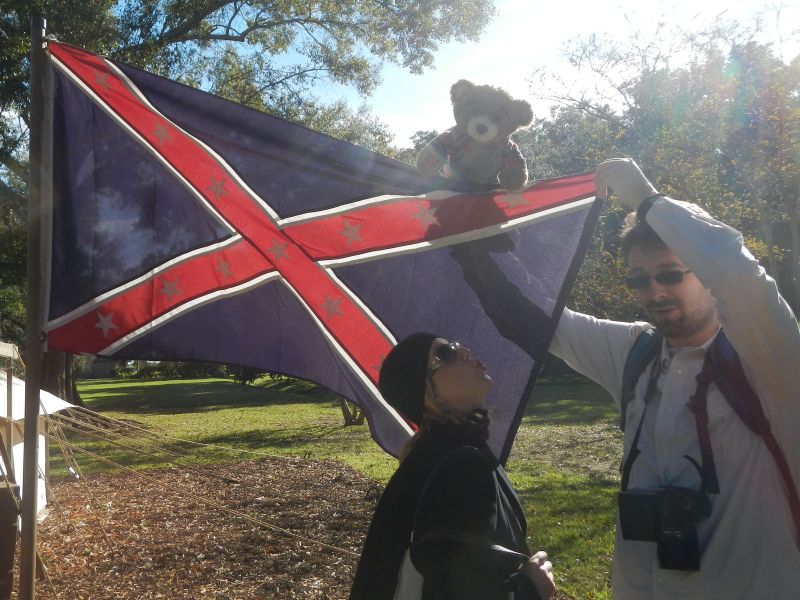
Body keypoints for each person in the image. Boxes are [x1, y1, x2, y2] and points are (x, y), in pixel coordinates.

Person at [547, 158, 800, 598]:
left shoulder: (768, 361)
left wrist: (648, 201)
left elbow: (740, 276)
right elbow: (541, 319)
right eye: (639, 279)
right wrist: (476, 230)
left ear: (705, 275)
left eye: (669, 274)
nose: (655, 291)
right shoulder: (635, 352)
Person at [349, 332, 555, 600]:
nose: (465, 351)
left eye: (456, 345)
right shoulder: (458, 467)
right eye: (445, 354)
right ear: (431, 395)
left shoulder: (447, 453)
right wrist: (530, 589)